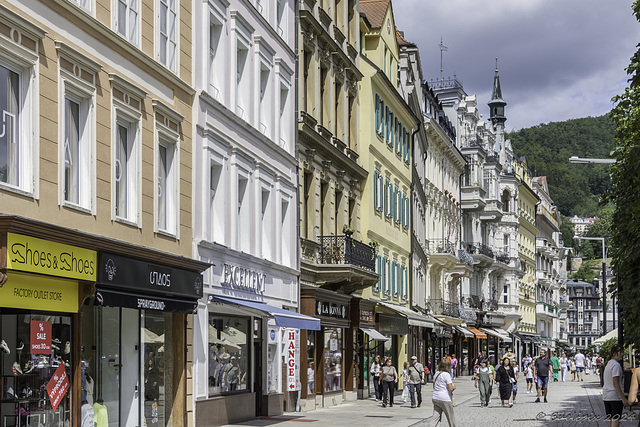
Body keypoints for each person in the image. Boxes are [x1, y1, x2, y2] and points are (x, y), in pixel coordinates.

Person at [602, 345, 628, 427]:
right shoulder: (616, 365)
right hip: (615, 397)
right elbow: (615, 383)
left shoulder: (608, 364)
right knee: (616, 421)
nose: (622, 354)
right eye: (620, 352)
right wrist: (623, 398)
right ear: (614, 353)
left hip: (606, 396)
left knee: (612, 420)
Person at [430, 358, 456, 426]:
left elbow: (434, 386)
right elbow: (450, 388)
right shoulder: (446, 375)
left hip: (435, 397)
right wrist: (454, 387)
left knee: (436, 417)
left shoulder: (436, 373)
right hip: (445, 398)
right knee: (450, 417)